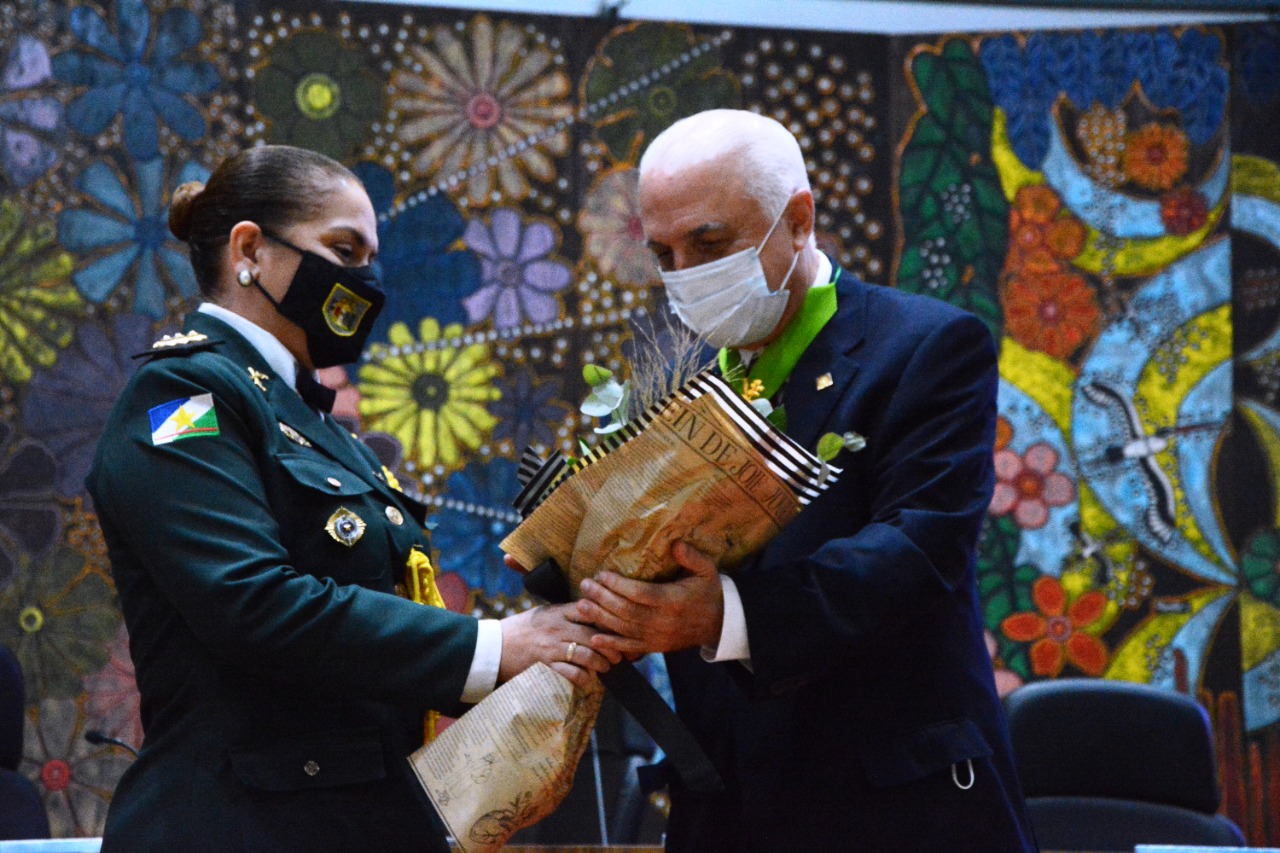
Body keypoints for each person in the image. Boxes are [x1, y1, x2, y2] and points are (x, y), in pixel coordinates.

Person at [85, 145, 608, 853]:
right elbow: (251, 603)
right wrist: (495, 645)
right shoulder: (184, 396)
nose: (364, 278)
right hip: (242, 825)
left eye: (369, 257)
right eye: (343, 249)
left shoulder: (315, 422)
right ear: (249, 249)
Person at [574, 110, 1038, 851]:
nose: (685, 274)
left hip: (894, 807)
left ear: (798, 220)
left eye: (710, 243)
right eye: (663, 252)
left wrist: (721, 612)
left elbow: (919, 548)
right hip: (727, 805)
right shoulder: (679, 384)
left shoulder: (927, 346)